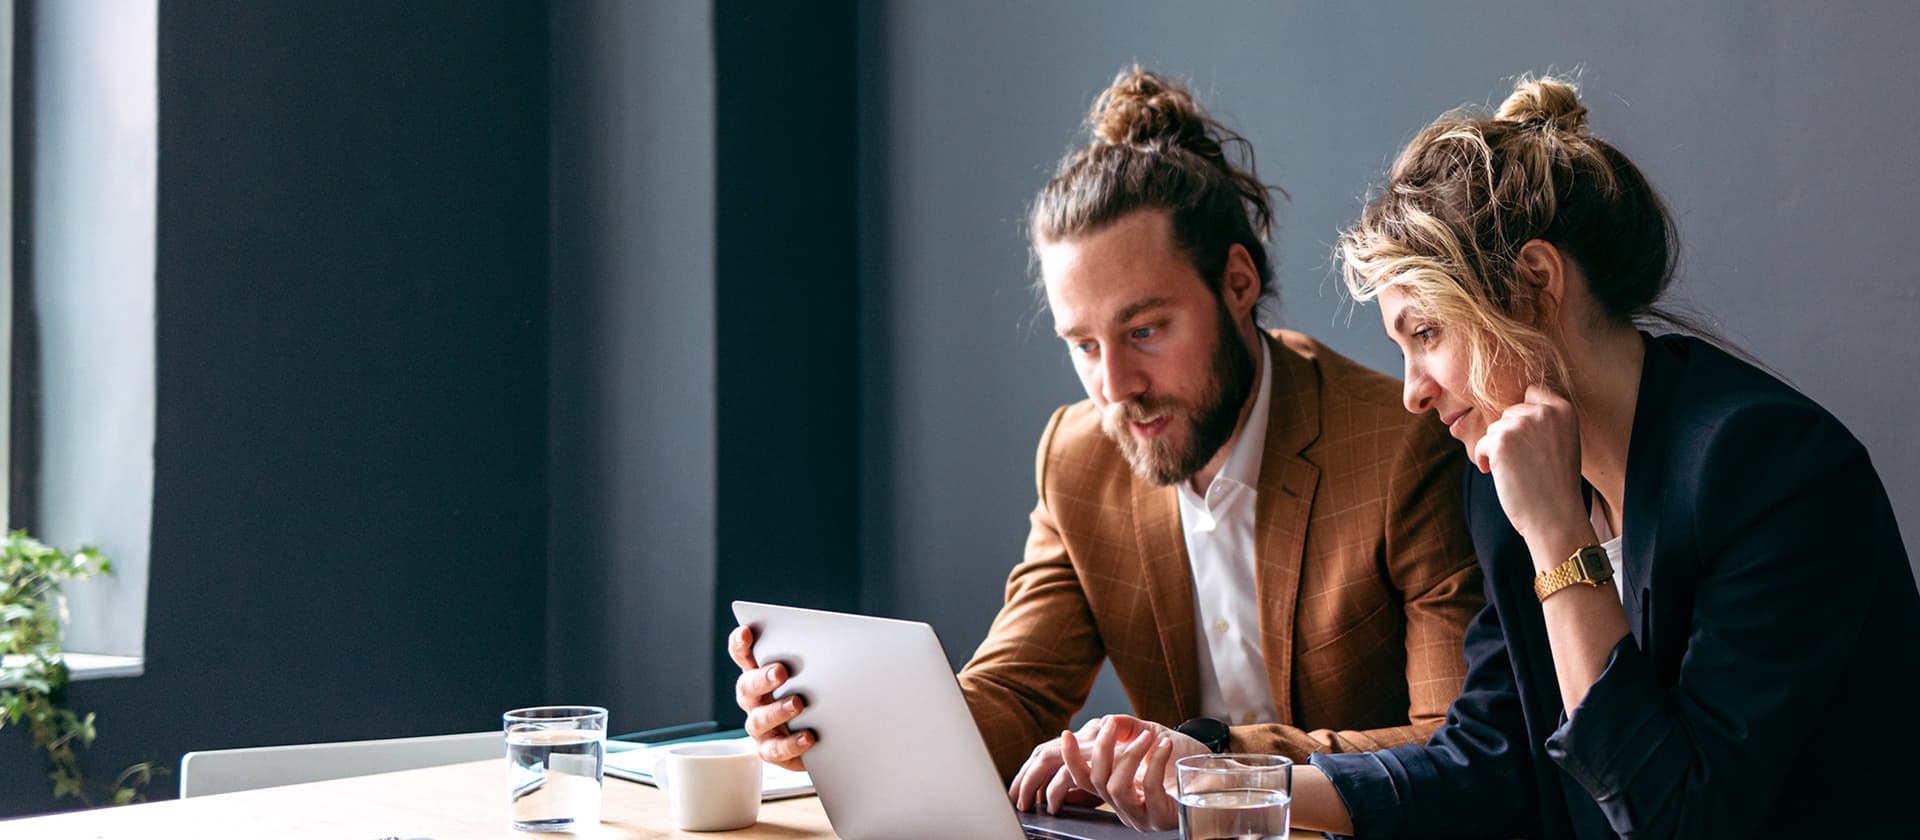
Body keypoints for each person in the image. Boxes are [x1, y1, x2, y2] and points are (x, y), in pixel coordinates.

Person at [1051, 75, 1920, 837]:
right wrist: (1218, 784)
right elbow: (1485, 763)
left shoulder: (1772, 471)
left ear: (1537, 284)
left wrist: (1558, 542)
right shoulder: (1508, 480)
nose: (1413, 391)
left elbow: (1677, 815)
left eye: (1426, 333)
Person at [728, 66, 1484, 816]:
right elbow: (1016, 689)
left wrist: (1213, 754)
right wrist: (836, 719)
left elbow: (1449, 745)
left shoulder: (1401, 444)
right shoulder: (1079, 455)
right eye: (1084, 345)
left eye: (1145, 330)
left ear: (1239, 282)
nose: (1115, 386)